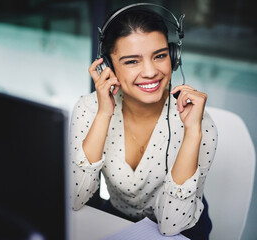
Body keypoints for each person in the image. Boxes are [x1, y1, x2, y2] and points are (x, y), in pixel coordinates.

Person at [69, 4, 217, 239]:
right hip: (116, 222)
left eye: (159, 56)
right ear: (109, 66)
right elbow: (73, 199)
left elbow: (171, 225)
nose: (150, 72)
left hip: (182, 228)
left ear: (174, 56)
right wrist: (103, 115)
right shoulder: (89, 109)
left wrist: (192, 134)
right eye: (131, 61)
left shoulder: (199, 123)